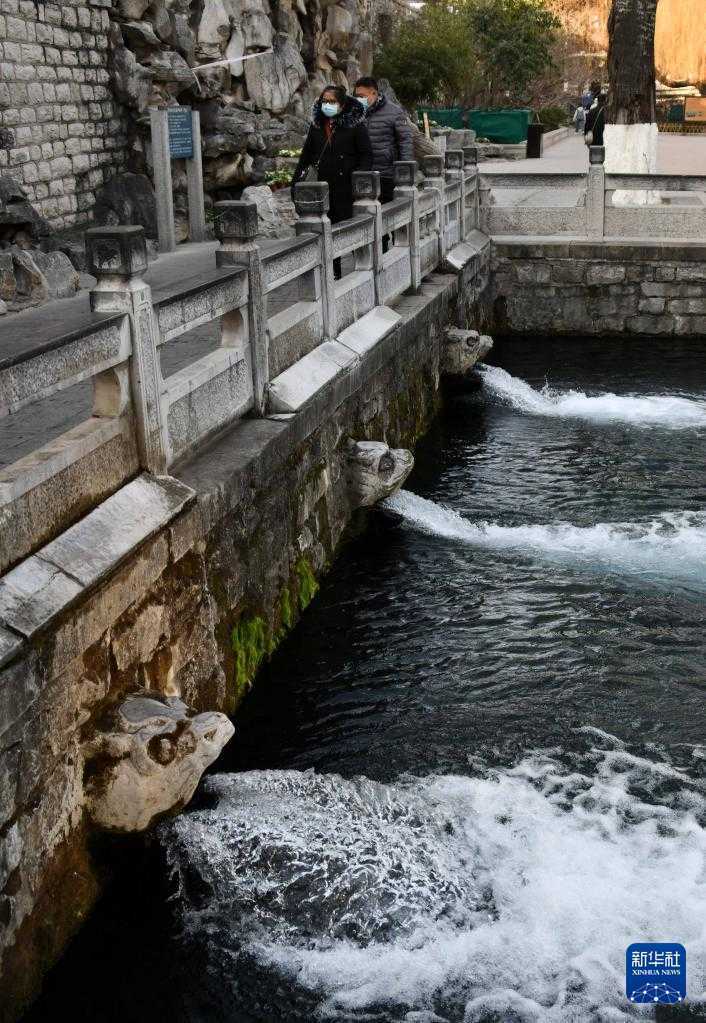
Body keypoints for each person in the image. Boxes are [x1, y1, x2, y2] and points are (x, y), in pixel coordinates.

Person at [291, 85, 373, 226]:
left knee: (345, 228)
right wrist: (295, 182)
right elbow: (306, 155)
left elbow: (366, 155)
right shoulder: (317, 125)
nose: (327, 105)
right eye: (324, 101)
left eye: (332, 102)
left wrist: (358, 179)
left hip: (346, 188)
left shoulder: (355, 126)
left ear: (341, 105)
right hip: (321, 186)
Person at [353, 76, 414, 206]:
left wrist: (404, 173)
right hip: (363, 175)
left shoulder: (394, 112)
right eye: (356, 96)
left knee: (387, 213)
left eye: (361, 96)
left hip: (386, 174)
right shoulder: (355, 113)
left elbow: (405, 142)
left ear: (374, 93)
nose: (358, 99)